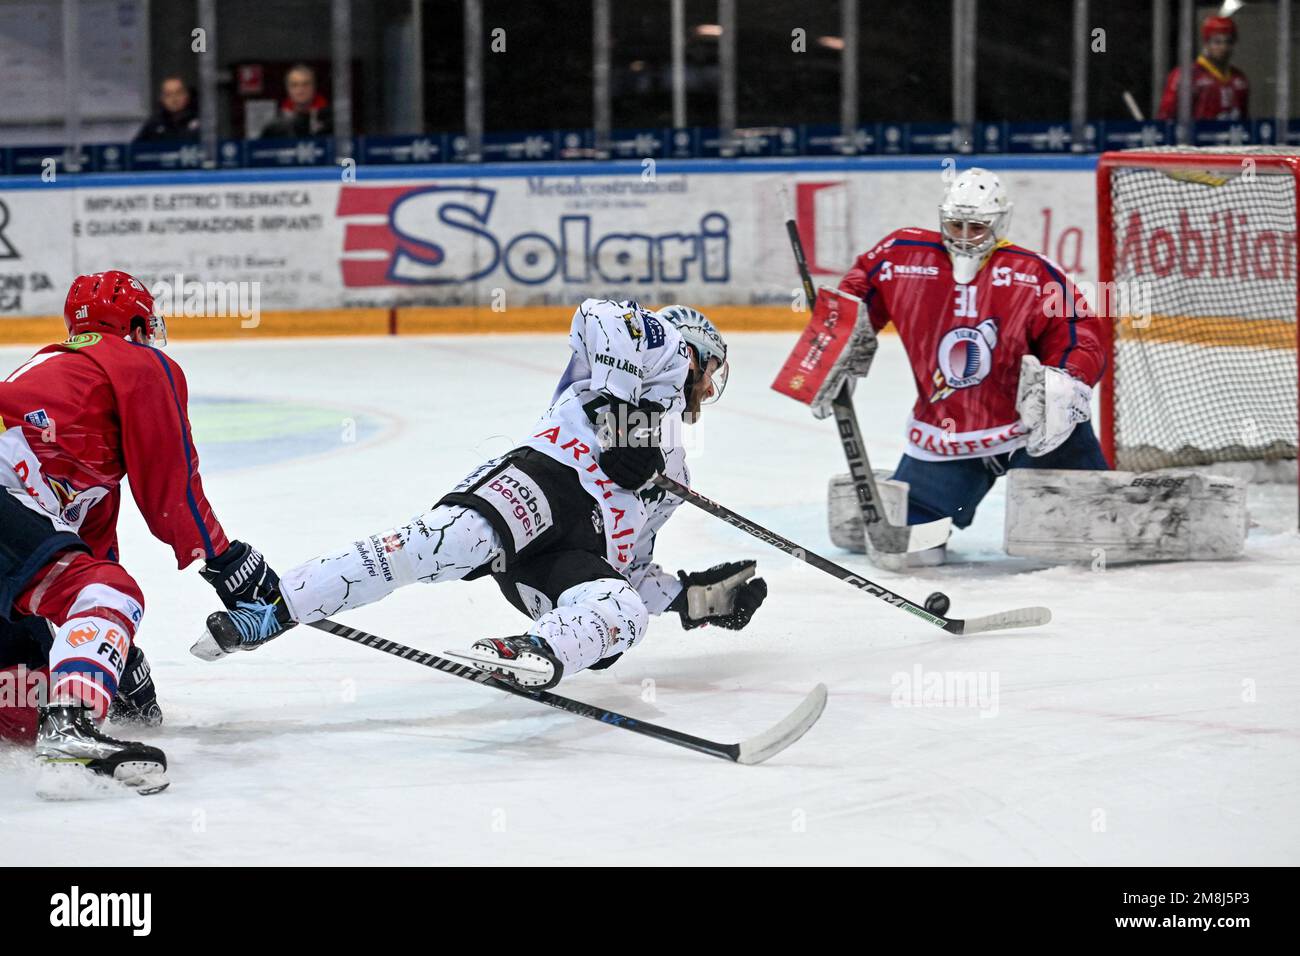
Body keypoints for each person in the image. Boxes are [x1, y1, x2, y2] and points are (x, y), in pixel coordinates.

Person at [194, 300, 768, 690]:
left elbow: (631, 567)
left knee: (620, 613)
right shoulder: (660, 347)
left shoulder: (674, 472)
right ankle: (271, 610)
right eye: (712, 370)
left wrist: (689, 598)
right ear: (695, 352)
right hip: (541, 485)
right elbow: (596, 315)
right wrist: (620, 410)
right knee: (429, 548)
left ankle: (533, 652)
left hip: (570, 556)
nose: (711, 387)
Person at [0, 271, 281, 794]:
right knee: (112, 592)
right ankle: (71, 725)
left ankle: (59, 717)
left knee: (18, 713)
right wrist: (225, 559)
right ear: (132, 324)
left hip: (11, 518)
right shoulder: (137, 362)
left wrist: (118, 655)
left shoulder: (61, 385)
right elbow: (170, 489)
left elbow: (84, 552)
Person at [836, 169, 1107, 536]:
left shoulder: (1033, 273)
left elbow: (1079, 333)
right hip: (949, 436)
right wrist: (835, 339)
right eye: (955, 225)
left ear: (999, 224)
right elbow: (860, 285)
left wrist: (1067, 378)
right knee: (916, 542)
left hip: (1034, 430)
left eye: (975, 228)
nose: (963, 238)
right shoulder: (903, 257)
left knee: (1090, 528)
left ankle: (1090, 502)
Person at [1156, 15, 1249, 121]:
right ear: (1206, 43)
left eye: (1229, 42)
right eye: (1217, 42)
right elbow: (1165, 119)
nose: (1224, 47)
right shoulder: (1186, 76)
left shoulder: (1240, 79)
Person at [258, 64, 333, 139]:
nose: (300, 90)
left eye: (305, 84)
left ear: (314, 87)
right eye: (294, 85)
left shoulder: (330, 122)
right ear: (288, 89)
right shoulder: (275, 127)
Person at [133, 76, 201, 143]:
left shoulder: (201, 121)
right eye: (168, 95)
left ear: (187, 95)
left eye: (178, 93)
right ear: (162, 98)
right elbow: (135, 150)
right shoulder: (154, 123)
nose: (174, 99)